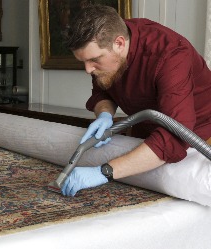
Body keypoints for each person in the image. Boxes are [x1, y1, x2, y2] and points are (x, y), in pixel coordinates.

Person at [61, 4, 211, 196]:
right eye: (83, 61)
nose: (88, 69)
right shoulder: (108, 45)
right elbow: (103, 91)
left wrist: (104, 171)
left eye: (94, 60)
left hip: (200, 134)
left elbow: (176, 135)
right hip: (149, 128)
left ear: (120, 43)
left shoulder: (171, 54)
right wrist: (104, 115)